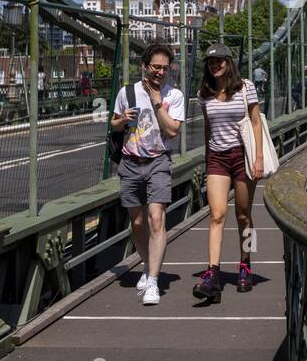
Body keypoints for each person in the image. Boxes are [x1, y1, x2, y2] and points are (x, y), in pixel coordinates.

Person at [111, 42, 185, 307]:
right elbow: (115, 123)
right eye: (156, 67)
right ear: (145, 66)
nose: (160, 72)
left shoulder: (173, 96)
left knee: (156, 219)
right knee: (138, 223)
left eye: (165, 68)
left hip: (158, 162)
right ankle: (147, 266)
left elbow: (173, 131)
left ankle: (153, 281)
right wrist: (121, 122)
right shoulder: (126, 92)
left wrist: (156, 103)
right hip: (130, 162)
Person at [194, 42, 266, 302]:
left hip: (242, 156)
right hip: (217, 158)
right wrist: (206, 158)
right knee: (216, 215)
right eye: (211, 62)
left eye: (219, 61)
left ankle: (246, 263)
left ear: (229, 62)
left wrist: (258, 157)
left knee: (244, 216)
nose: (215, 65)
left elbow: (256, 122)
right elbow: (207, 127)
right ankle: (212, 274)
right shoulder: (204, 93)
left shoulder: (246, 87)